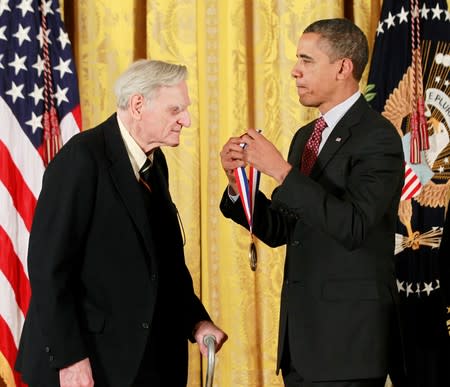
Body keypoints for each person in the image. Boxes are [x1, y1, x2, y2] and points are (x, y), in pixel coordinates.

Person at [15, 59, 227, 387]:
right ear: (138, 105)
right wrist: (70, 359)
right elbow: (48, 268)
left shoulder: (155, 165)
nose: (186, 120)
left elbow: (165, 265)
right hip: (87, 361)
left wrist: (196, 321)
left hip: (146, 361)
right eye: (175, 110)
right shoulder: (82, 159)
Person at [220, 18, 404, 387]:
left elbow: (353, 226)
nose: (294, 71)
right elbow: (281, 229)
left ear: (342, 67)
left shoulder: (378, 137)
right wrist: (238, 185)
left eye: (306, 60)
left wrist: (281, 171)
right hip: (300, 346)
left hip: (348, 348)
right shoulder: (307, 136)